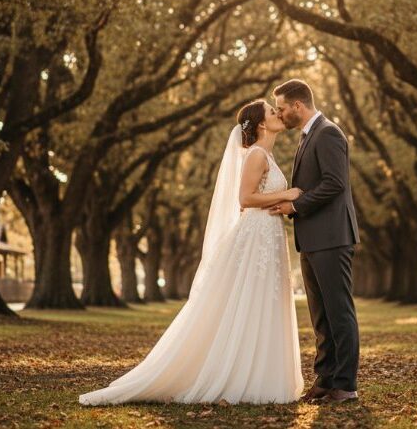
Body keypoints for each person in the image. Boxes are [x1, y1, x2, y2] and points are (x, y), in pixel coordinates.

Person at [79, 99, 304, 405]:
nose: (279, 114)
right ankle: (234, 375)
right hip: (255, 237)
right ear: (262, 124)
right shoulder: (255, 155)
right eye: (272, 111)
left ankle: (260, 373)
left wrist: (280, 203)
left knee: (263, 301)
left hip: (268, 234)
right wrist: (287, 194)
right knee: (249, 300)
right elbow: (246, 199)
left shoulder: (268, 154)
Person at [271, 79, 361, 404]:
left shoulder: (328, 133)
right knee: (320, 315)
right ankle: (325, 379)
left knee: (339, 312)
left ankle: (346, 385)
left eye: (281, 108)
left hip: (332, 237)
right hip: (312, 239)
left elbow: (335, 183)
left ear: (298, 105)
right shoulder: (308, 136)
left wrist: (295, 205)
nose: (279, 114)